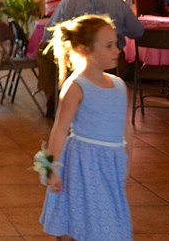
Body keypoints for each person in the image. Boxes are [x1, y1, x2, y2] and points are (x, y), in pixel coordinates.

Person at [37, 14, 133, 240]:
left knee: (109, 220)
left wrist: (129, 159)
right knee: (80, 217)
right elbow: (60, 129)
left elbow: (125, 128)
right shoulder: (76, 86)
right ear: (83, 50)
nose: (116, 50)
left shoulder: (119, 85)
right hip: (83, 165)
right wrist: (52, 168)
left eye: (116, 44)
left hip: (111, 164)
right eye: (108, 46)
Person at [38, 0, 144, 115]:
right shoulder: (117, 3)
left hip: (77, 63)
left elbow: (48, 35)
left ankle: (54, 97)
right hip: (111, 64)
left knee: (43, 50)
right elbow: (138, 32)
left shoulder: (68, 4)